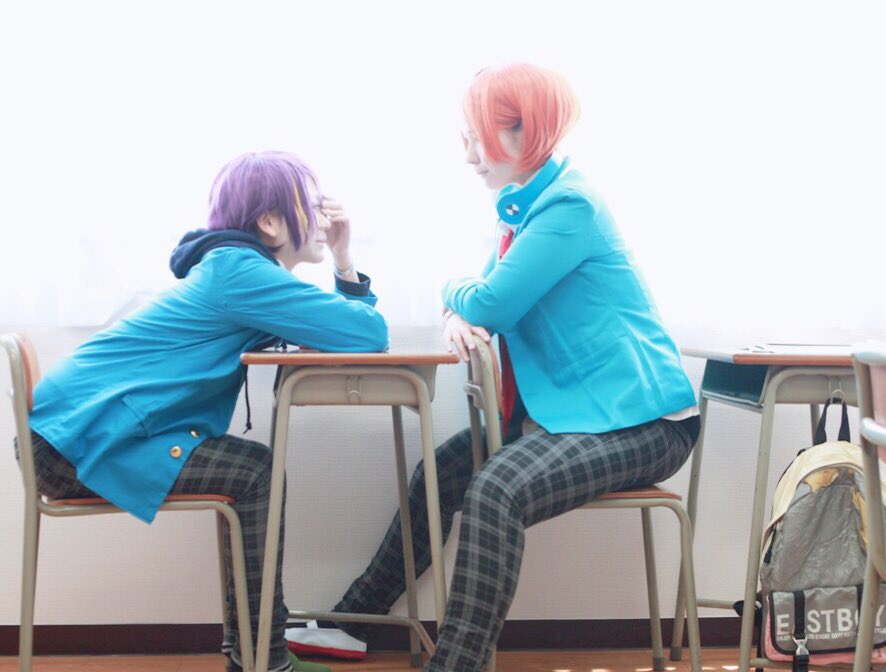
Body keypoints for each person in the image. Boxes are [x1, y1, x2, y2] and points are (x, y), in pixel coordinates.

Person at [286, 63, 700, 672]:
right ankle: (353, 623)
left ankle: (456, 664)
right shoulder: (523, 214)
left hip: (644, 424)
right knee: (441, 473)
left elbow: (489, 303)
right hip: (574, 417)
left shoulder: (569, 207)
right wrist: (463, 305)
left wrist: (453, 295)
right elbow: (484, 300)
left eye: (475, 138)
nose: (468, 155)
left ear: (523, 130)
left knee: (498, 489)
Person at [23, 151, 388, 672]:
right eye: (311, 204)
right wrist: (343, 261)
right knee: (255, 471)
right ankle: (266, 659)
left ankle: (255, 654)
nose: (324, 217)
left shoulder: (235, 269)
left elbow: (348, 332)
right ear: (270, 221)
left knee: (250, 469)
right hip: (71, 445)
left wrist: (343, 257)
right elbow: (368, 333)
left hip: (68, 434)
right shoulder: (241, 274)